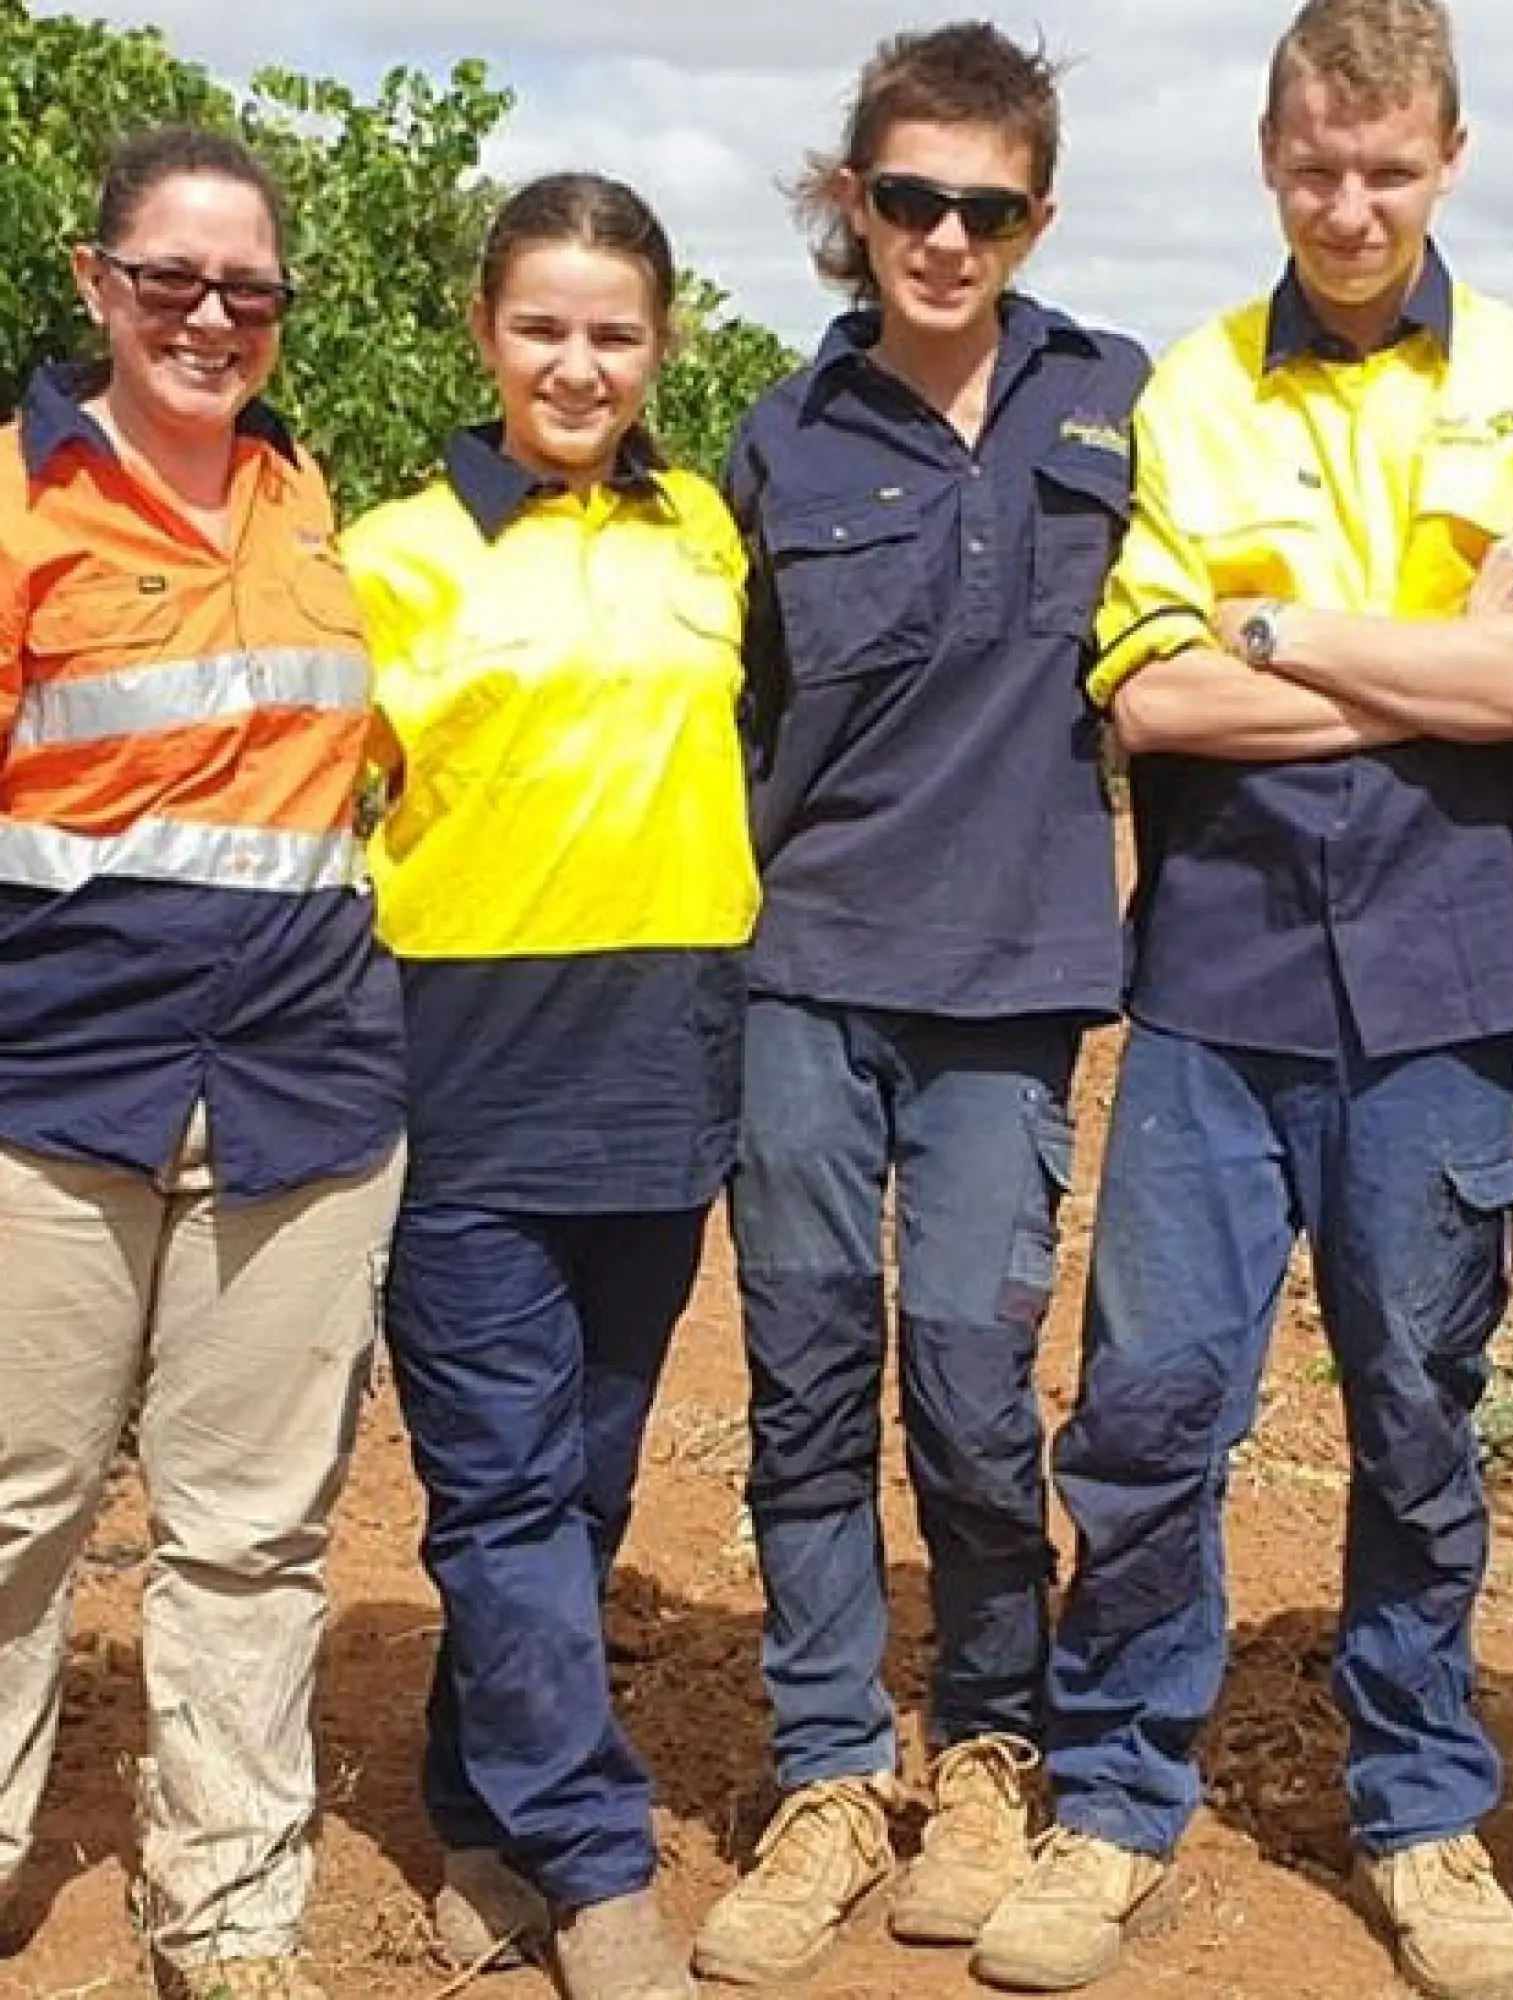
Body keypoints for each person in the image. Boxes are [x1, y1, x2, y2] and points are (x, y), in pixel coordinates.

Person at [967, 3, 1513, 1994]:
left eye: (1386, 169)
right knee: (1157, 1408)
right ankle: (1110, 1794)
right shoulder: (1190, 390)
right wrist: (1423, 655)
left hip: (1438, 984)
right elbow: (1152, 690)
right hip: (1218, 981)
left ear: (1445, 158)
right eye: (1311, 168)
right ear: (1269, 161)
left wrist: (1292, 636)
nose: (1347, 206)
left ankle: (1421, 1806)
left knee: (1422, 1418)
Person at [689, 22, 1149, 1989]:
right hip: (800, 973)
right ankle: (819, 1766)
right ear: (851, 206)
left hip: (1013, 990)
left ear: (1031, 213)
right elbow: (724, 714)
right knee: (802, 1385)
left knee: (970, 1388)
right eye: (905, 200)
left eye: (981, 205)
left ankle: (984, 1745)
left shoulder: (1123, 406)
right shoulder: (776, 443)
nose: (942, 238)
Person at [341, 173, 757, 2000]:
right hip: (465, 1070)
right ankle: (594, 1866)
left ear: (659, 343)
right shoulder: (397, 552)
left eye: (613, 331)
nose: (576, 363)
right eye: (541, 327)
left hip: (665, 1059)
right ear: (483, 333)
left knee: (575, 1491)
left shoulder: (707, 543)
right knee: (498, 1492)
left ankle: (477, 1809)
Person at [0, 127, 405, 2000]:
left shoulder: (319, 507)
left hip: (299, 1095)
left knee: (252, 1535)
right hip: (50, 1084)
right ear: (96, 284)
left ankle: (229, 1921)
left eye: (250, 288)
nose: (213, 317)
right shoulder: (16, 501)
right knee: (15, 1505)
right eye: (173, 280)